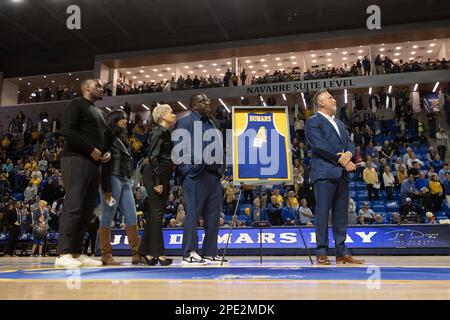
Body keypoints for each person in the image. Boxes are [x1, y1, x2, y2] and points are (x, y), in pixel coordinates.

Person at [305, 89, 364, 265]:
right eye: (330, 98)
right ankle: (321, 251)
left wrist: (348, 153)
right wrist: (342, 160)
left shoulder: (339, 123)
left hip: (341, 174)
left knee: (340, 215)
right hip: (323, 173)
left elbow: (350, 143)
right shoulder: (312, 121)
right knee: (322, 214)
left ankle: (341, 252)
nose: (334, 100)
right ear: (321, 103)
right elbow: (319, 145)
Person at [55, 79, 109, 268]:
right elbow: (67, 130)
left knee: (86, 210)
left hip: (93, 163)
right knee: (74, 204)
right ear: (86, 87)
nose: (102, 89)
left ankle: (76, 253)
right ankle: (63, 254)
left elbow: (102, 138)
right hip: (75, 158)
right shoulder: (76, 104)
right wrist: (90, 149)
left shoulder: (100, 113)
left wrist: (105, 152)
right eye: (98, 86)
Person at [174, 93, 226, 265]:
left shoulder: (213, 123)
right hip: (196, 176)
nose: (208, 102)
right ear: (194, 106)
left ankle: (210, 252)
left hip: (213, 176)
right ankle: (189, 252)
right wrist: (187, 170)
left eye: (208, 99)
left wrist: (221, 170)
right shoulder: (185, 122)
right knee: (192, 215)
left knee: (213, 216)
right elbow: (179, 151)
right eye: (203, 101)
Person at [99, 110, 140, 265]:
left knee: (132, 216)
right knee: (108, 215)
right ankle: (106, 254)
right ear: (114, 119)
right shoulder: (106, 134)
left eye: (125, 118)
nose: (125, 120)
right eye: (122, 118)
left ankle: (137, 253)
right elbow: (102, 164)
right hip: (111, 179)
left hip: (124, 180)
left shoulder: (123, 137)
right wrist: (106, 188)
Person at [139, 105, 177, 266]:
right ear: (162, 116)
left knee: (155, 214)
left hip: (161, 176)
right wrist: (158, 182)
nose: (174, 115)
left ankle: (145, 252)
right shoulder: (158, 132)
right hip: (156, 176)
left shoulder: (164, 132)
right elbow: (153, 157)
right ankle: (158, 253)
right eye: (171, 112)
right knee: (157, 214)